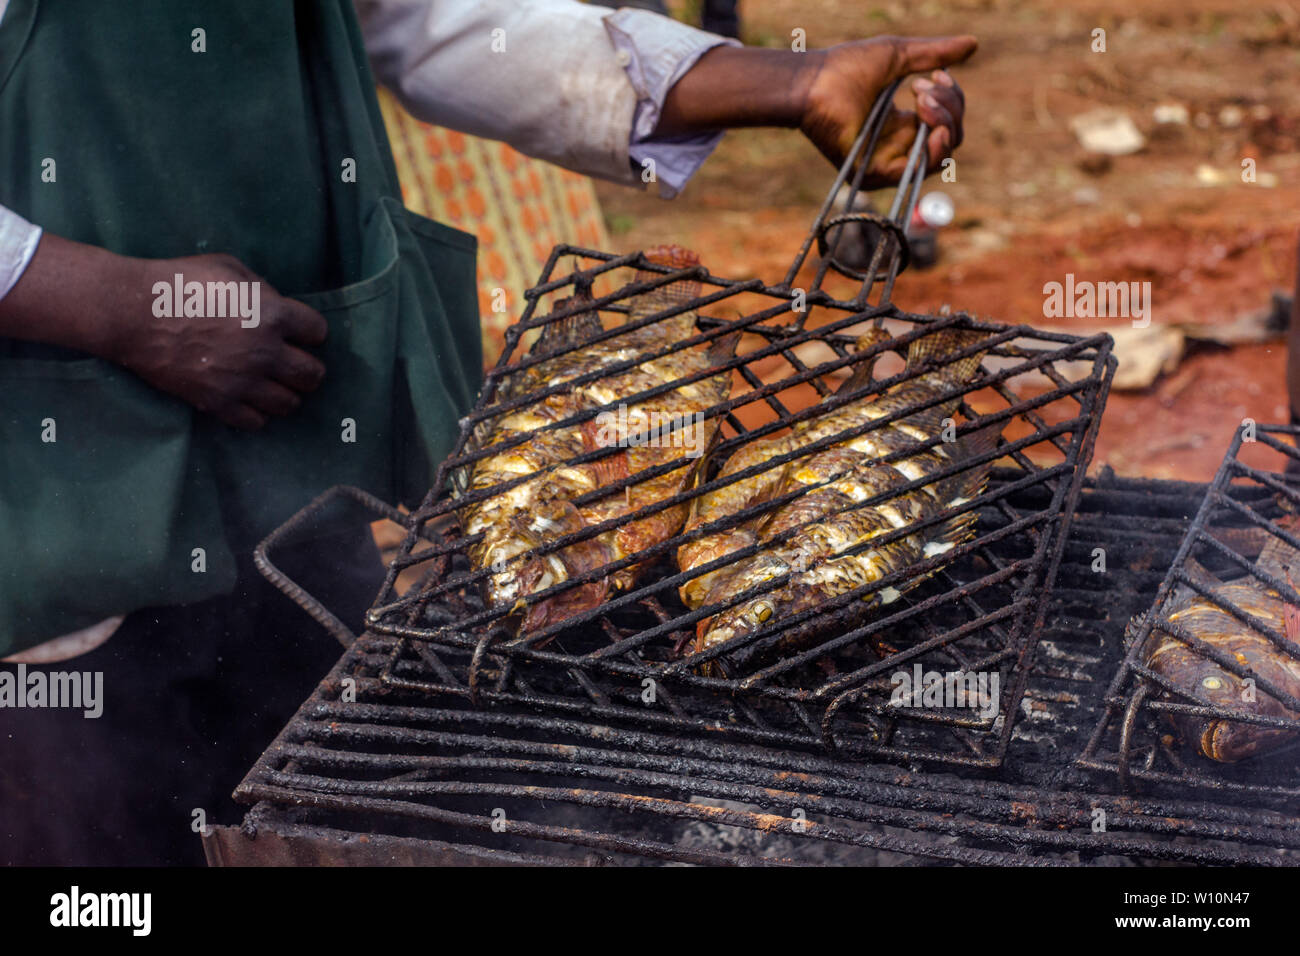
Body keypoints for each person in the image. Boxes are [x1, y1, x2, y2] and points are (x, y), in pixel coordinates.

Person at [0, 0, 973, 865]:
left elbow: (426, 18)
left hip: (286, 472)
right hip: (51, 536)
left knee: (315, 807)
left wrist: (793, 80)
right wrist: (115, 304)